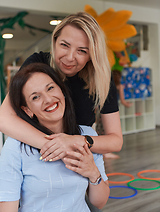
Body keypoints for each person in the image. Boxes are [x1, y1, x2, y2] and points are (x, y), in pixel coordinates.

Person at [0, 12, 122, 211]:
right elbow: (4, 119)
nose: (70, 57)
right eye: (64, 45)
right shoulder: (39, 65)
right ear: (54, 41)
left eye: (82, 50)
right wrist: (58, 146)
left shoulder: (101, 79)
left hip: (80, 160)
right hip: (44, 159)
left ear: (92, 53)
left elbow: (115, 140)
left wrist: (77, 143)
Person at [0, 63, 109, 212]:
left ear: (62, 90)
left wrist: (93, 172)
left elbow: (99, 203)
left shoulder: (86, 135)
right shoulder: (16, 147)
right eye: (36, 97)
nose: (48, 99)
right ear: (27, 110)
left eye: (50, 88)